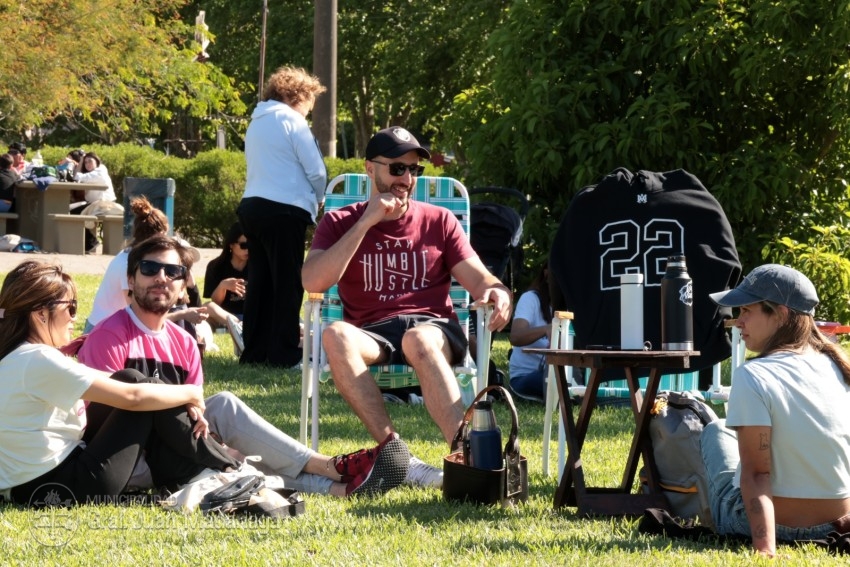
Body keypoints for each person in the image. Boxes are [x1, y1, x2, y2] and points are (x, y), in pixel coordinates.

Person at [78, 234, 410, 497]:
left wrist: (210, 440)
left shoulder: (183, 343)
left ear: (183, 286)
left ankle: (339, 487)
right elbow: (103, 417)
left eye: (173, 272)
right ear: (131, 278)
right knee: (224, 457)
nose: (161, 278)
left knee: (222, 408)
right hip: (129, 461)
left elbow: (196, 415)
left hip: (179, 449)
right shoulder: (109, 336)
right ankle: (331, 467)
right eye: (150, 269)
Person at [302, 126, 513, 488]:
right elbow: (313, 281)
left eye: (414, 170)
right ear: (370, 169)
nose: (407, 178)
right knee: (335, 334)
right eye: (397, 169)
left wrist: (498, 291)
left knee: (417, 339)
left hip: (433, 327)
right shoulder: (340, 221)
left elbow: (479, 278)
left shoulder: (439, 221)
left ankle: (467, 458)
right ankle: (397, 453)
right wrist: (367, 221)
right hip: (373, 331)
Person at [0, 260, 243, 506]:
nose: (75, 318)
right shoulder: (38, 359)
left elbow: (114, 381)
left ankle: (206, 469)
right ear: (41, 313)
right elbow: (133, 398)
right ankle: (226, 467)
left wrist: (180, 394)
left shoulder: (16, 358)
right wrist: (191, 392)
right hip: (66, 486)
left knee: (134, 380)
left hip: (29, 486)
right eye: (71, 308)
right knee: (143, 393)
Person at [704, 264, 850, 557]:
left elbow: (757, 474)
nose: (738, 321)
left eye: (746, 311)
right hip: (837, 524)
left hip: (776, 526)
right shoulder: (837, 367)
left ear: (781, 314)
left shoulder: (754, 375)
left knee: (714, 431)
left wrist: (765, 549)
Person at [236, 65, 327, 368]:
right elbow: (316, 170)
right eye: (309, 103)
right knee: (288, 284)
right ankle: (285, 353)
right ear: (298, 96)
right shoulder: (293, 121)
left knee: (260, 282)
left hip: (252, 206)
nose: (309, 111)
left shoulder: (257, 121)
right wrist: (319, 196)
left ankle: (255, 351)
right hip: (285, 209)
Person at [508, 263, 552, 402]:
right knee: (557, 381)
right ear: (546, 274)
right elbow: (515, 337)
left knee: (587, 377)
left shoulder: (567, 304)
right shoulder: (530, 298)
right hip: (525, 377)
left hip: (553, 373)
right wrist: (546, 329)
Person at [71, 151, 118, 252]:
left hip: (104, 203)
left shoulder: (101, 170)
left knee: (74, 213)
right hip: (95, 204)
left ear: (97, 161)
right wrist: (81, 161)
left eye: (90, 161)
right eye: (85, 162)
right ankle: (90, 242)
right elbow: (77, 178)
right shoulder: (91, 173)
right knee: (71, 210)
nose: (87, 164)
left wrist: (80, 162)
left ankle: (91, 242)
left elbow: (77, 177)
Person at [203, 221, 248, 320]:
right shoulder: (215, 266)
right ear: (231, 245)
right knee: (208, 306)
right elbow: (216, 303)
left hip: (254, 315)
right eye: (244, 245)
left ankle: (240, 325)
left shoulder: (258, 267)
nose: (248, 250)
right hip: (226, 316)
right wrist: (223, 286)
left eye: (252, 245)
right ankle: (236, 324)